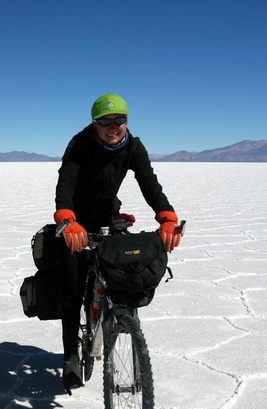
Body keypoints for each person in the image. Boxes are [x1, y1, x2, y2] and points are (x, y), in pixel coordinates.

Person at [54, 93, 183, 390]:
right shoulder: (80, 143)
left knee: (123, 273)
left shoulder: (133, 147)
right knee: (73, 289)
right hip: (75, 222)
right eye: (105, 122)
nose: (113, 127)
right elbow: (66, 181)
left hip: (109, 217)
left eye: (119, 120)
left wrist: (166, 216)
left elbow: (149, 182)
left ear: (127, 120)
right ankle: (71, 356)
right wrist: (66, 218)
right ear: (94, 124)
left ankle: (120, 323)